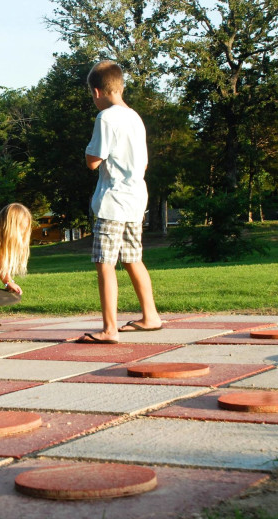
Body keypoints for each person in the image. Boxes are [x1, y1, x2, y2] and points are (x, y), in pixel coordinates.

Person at [78, 60, 161, 344]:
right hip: (136, 197)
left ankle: (109, 328)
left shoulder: (106, 118)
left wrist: (91, 155)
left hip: (112, 200)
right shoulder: (135, 117)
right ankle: (150, 316)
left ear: (97, 92)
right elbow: (144, 163)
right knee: (133, 259)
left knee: (105, 263)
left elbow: (93, 161)